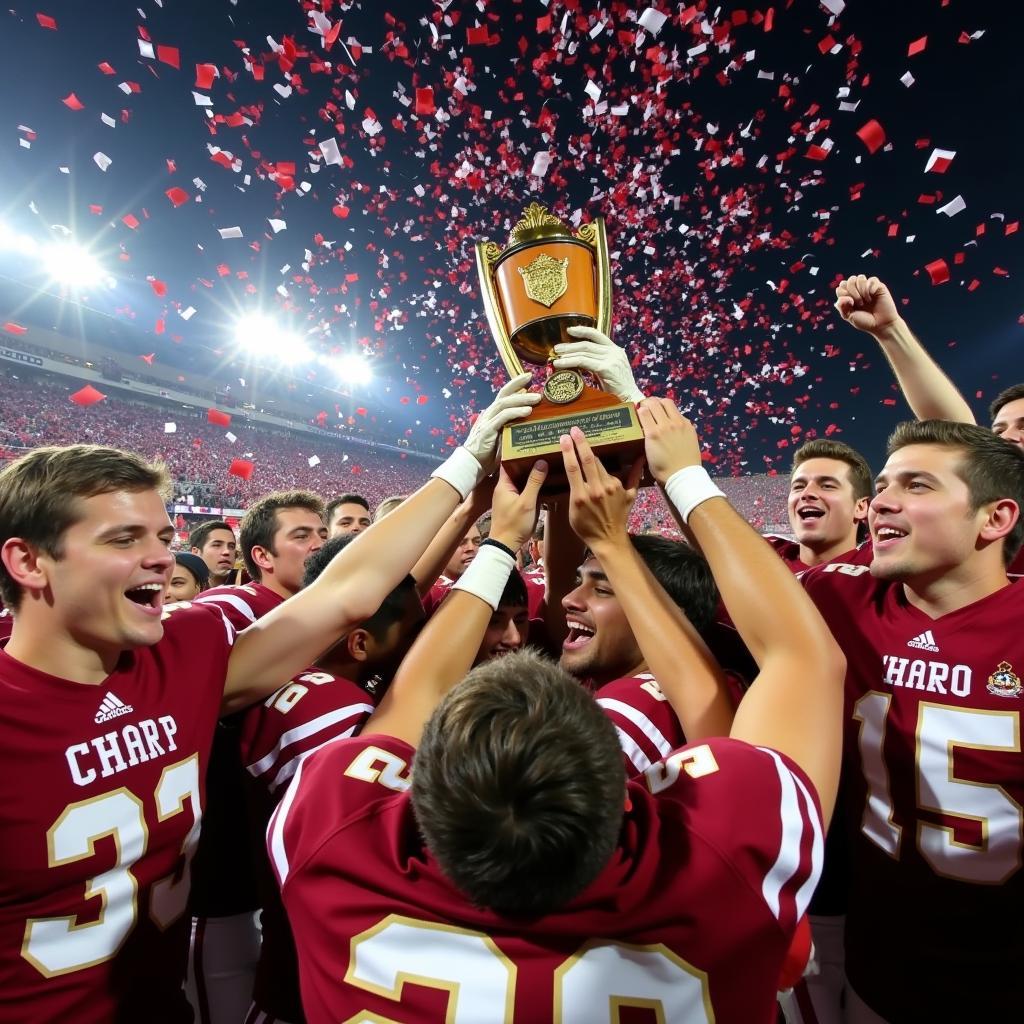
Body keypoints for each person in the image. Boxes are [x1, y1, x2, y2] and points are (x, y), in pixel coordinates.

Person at [269, 404, 845, 1023]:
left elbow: (413, 696)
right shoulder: (715, 872)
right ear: (629, 795)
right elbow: (803, 658)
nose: (565, 601)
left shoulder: (332, 837)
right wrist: (677, 481)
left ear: (420, 792)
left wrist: (498, 539)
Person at [0, 374, 538, 1021]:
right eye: (124, 539)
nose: (162, 562)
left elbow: (347, 594)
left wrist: (468, 462)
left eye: (165, 538)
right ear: (29, 563)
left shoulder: (185, 651)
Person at [801, 419, 1024, 1021]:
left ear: (995, 519)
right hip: (877, 972)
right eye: (885, 484)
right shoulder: (841, 595)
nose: (882, 501)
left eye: (918, 485)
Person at [240, 534, 425, 1024]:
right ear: (360, 643)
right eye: (413, 632)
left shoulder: (276, 671)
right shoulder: (346, 712)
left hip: (261, 917)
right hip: (305, 952)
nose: (419, 645)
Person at [774, 439, 873, 571]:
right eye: (798, 487)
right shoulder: (762, 555)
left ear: (860, 507)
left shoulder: (881, 576)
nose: (807, 493)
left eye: (827, 486)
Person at [189, 520, 238, 589]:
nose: (227, 552)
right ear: (196, 552)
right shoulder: (183, 592)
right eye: (217, 545)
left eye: (231, 546)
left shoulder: (250, 589)